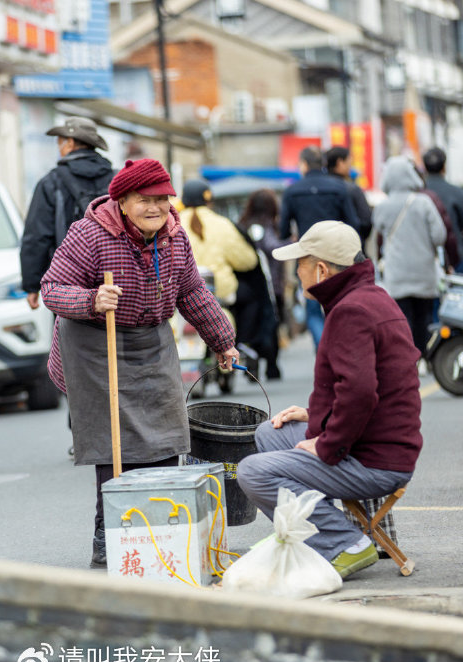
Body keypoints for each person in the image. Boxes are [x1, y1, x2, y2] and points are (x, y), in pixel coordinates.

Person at [40, 159, 239, 568]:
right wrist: (90, 299)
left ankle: (160, 526)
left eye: (162, 200)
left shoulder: (174, 237)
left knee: (166, 430)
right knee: (113, 443)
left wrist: (223, 341)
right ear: (123, 201)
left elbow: (193, 293)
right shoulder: (90, 234)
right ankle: (108, 532)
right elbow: (52, 289)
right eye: (145, 200)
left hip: (150, 337)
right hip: (96, 340)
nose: (156, 208)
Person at [237, 221, 421, 579]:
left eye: (300, 263)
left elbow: (360, 393)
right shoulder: (369, 297)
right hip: (378, 443)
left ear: (320, 269)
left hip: (376, 459)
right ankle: (334, 529)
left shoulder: (350, 311)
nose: (296, 271)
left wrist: (326, 446)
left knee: (252, 472)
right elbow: (364, 387)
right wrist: (314, 415)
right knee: (270, 433)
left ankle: (346, 542)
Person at [21, 116, 115, 310]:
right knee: (120, 333)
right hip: (117, 276)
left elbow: (37, 236)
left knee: (73, 337)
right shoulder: (117, 178)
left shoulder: (51, 182)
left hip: (70, 282)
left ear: (70, 143)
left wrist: (32, 285)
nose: (59, 148)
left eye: (60, 143)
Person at [280, 146, 359, 348]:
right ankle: (339, 349)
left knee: (314, 309)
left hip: (309, 255)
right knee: (339, 304)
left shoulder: (292, 191)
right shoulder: (339, 188)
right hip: (337, 255)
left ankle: (324, 351)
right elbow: (353, 223)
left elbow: (283, 230)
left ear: (304, 165)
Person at [372, 156, 447, 353]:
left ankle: (407, 358)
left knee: (402, 318)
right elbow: (439, 236)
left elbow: (377, 236)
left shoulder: (382, 207)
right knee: (425, 316)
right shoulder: (423, 202)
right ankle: (424, 356)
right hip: (424, 270)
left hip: (397, 272)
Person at [179, 179, 258, 307]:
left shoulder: (172, 224)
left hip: (179, 297)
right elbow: (248, 261)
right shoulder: (223, 224)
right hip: (219, 295)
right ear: (209, 201)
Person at [237, 189, 288, 379]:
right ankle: (272, 366)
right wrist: (290, 245)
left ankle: (253, 364)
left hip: (248, 285)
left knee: (251, 325)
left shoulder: (243, 225)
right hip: (271, 285)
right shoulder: (267, 226)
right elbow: (273, 247)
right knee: (271, 324)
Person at [423, 147, 463, 272]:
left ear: (424, 168)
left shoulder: (416, 194)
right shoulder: (458, 193)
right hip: (455, 259)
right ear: (444, 167)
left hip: (425, 260)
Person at [325, 146, 373, 251]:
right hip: (351, 250)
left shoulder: (319, 189)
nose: (350, 166)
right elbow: (366, 221)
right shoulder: (352, 189)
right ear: (340, 163)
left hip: (325, 250)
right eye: (348, 162)